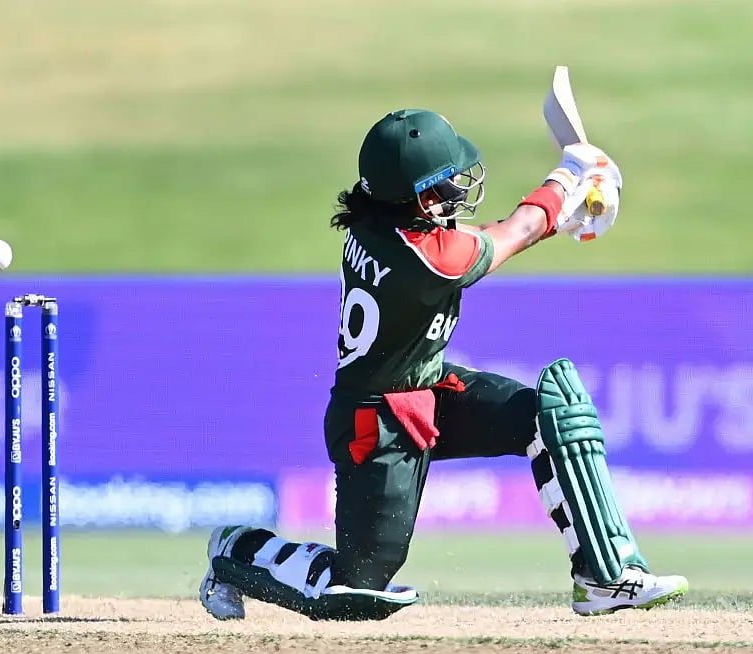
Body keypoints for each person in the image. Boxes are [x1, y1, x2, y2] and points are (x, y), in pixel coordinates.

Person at [198, 109, 689, 621]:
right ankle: (236, 551)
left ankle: (604, 577)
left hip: (429, 388)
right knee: (355, 591)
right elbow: (513, 230)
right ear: (415, 196)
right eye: (444, 182)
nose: (457, 187)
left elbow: (495, 234)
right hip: (377, 422)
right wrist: (569, 176)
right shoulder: (426, 257)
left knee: (554, 412)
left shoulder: (382, 221)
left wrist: (564, 217)